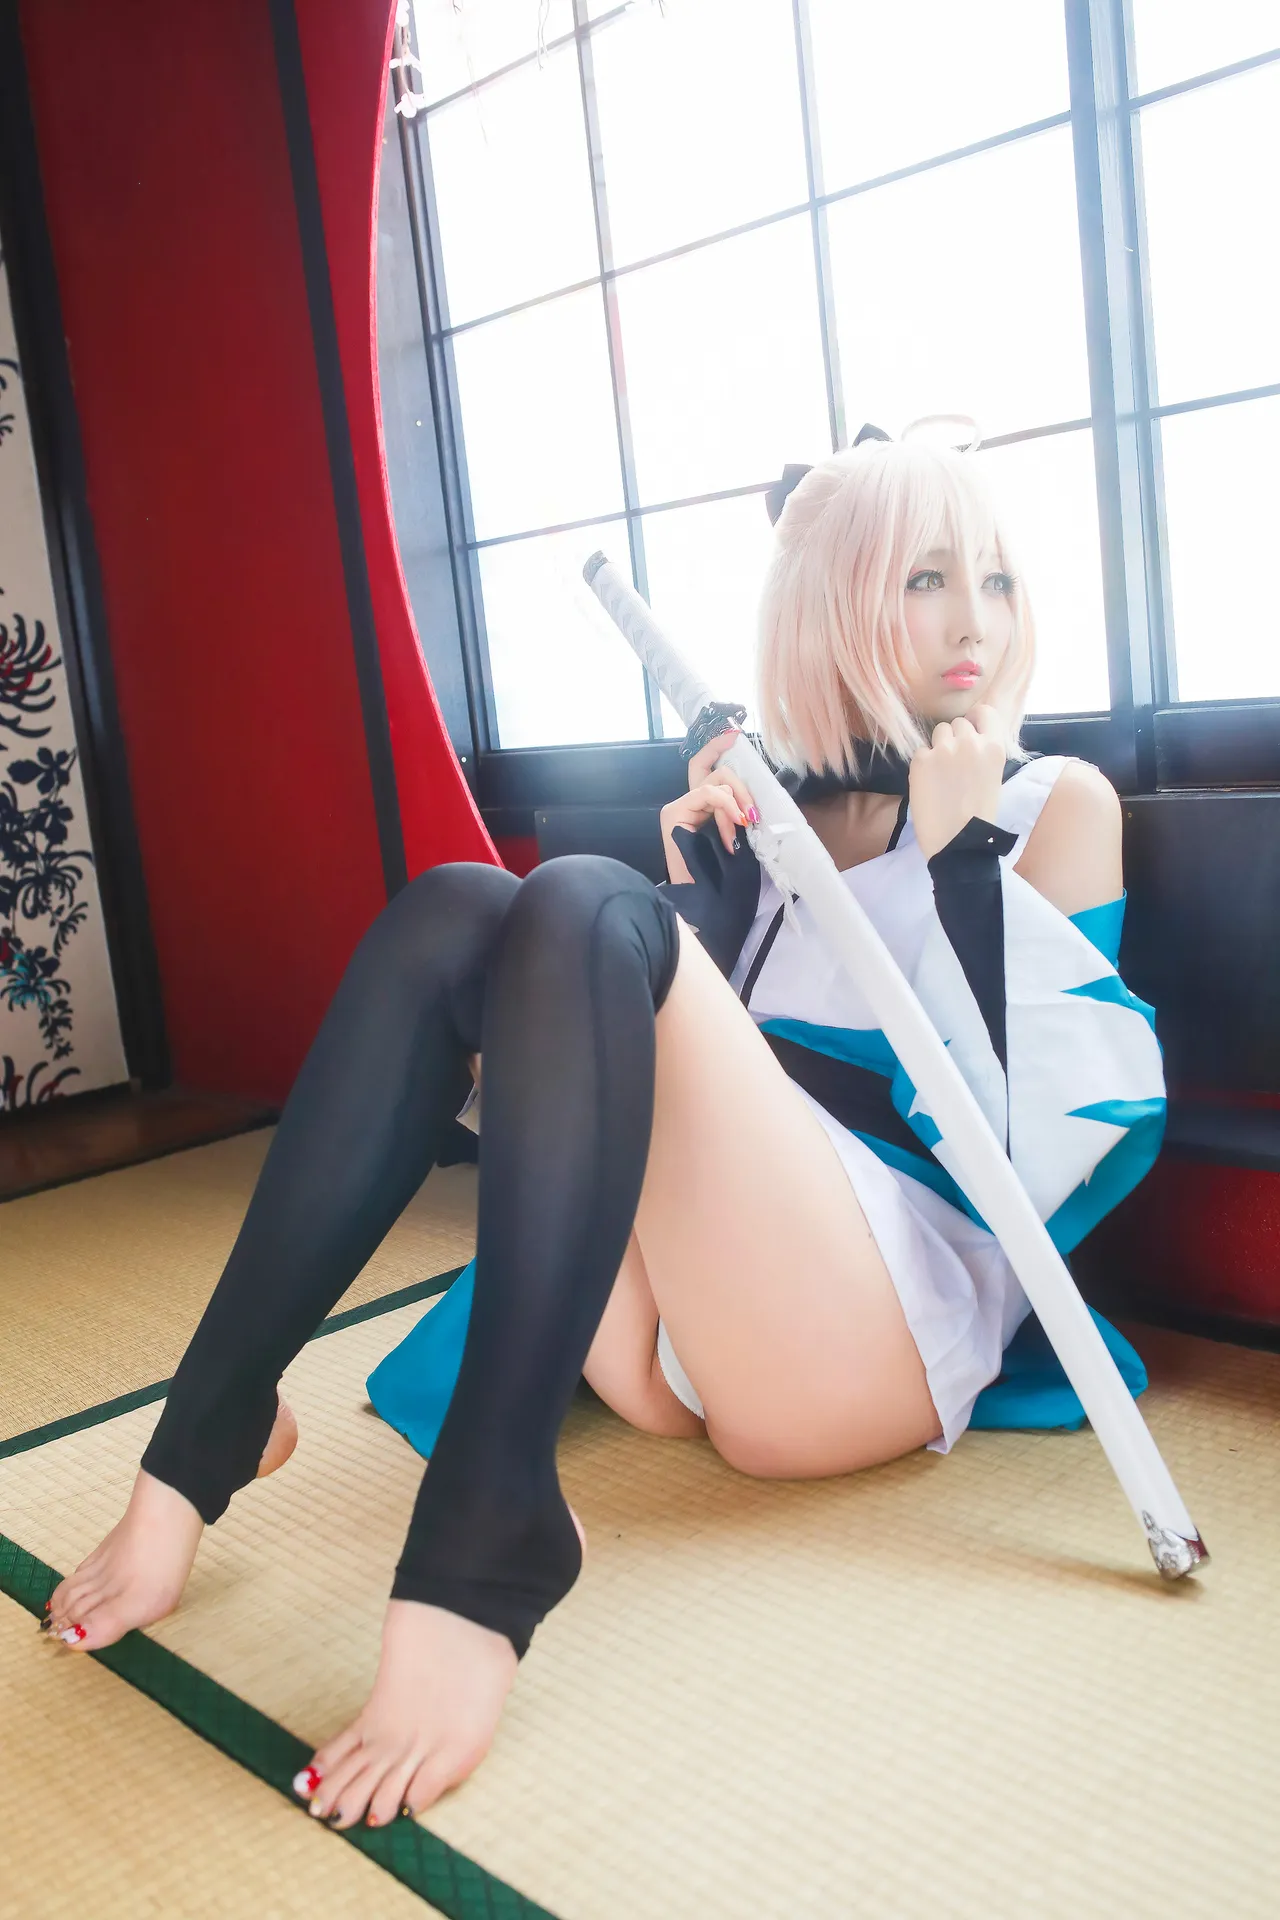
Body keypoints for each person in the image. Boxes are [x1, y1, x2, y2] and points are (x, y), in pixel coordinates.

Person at [41, 426, 1164, 1833]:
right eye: (926, 579)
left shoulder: (1052, 806)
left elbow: (1027, 1162)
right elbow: (700, 1109)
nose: (974, 623)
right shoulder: (773, 823)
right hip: (677, 1337)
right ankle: (208, 1427)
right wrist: (706, 908)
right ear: (827, 603)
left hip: (880, 1333)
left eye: (995, 580)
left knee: (576, 897)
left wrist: (962, 863)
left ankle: (483, 1537)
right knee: (458, 907)